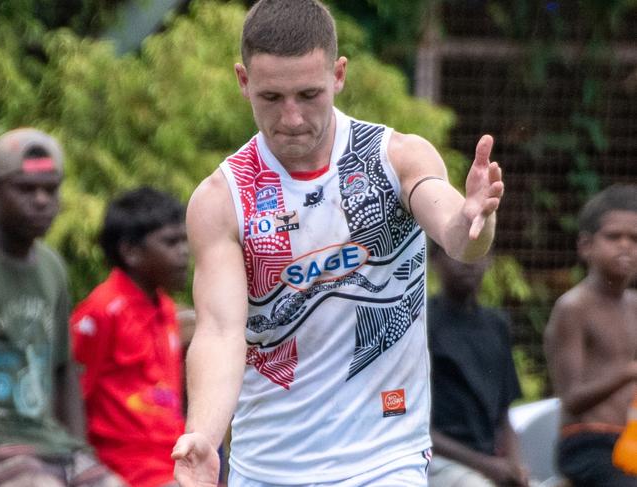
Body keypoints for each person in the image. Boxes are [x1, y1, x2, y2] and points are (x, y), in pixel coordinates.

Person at [171, 0, 504, 485]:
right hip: (267, 462)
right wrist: (202, 434)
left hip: (386, 455)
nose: (291, 117)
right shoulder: (222, 198)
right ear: (243, 81)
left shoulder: (395, 158)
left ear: (339, 74)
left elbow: (458, 237)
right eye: (270, 97)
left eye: (309, 94)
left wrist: (476, 219)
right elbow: (221, 332)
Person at [0, 127, 125, 486]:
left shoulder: (51, 267)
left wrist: (79, 450)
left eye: (50, 189)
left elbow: (63, 370)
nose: (41, 200)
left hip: (48, 442)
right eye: (25, 189)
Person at [70, 187, 191, 487]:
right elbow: (71, 397)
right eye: (170, 242)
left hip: (172, 463)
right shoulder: (101, 312)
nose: (184, 251)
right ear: (131, 252)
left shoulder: (165, 308)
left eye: (184, 239)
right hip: (125, 471)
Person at [543, 184, 637, 487]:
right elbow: (571, 399)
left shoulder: (635, 305)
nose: (626, 246)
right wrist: (629, 372)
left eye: (635, 239)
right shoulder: (574, 307)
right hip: (587, 443)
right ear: (586, 245)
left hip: (630, 439)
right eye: (614, 237)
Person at [427, 244, 530, 486]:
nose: (468, 261)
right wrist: (487, 466)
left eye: (478, 252)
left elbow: (504, 414)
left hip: (489, 461)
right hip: (439, 460)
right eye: (456, 251)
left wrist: (514, 466)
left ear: (490, 259)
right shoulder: (422, 324)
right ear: (434, 260)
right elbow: (415, 425)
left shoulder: (497, 324)